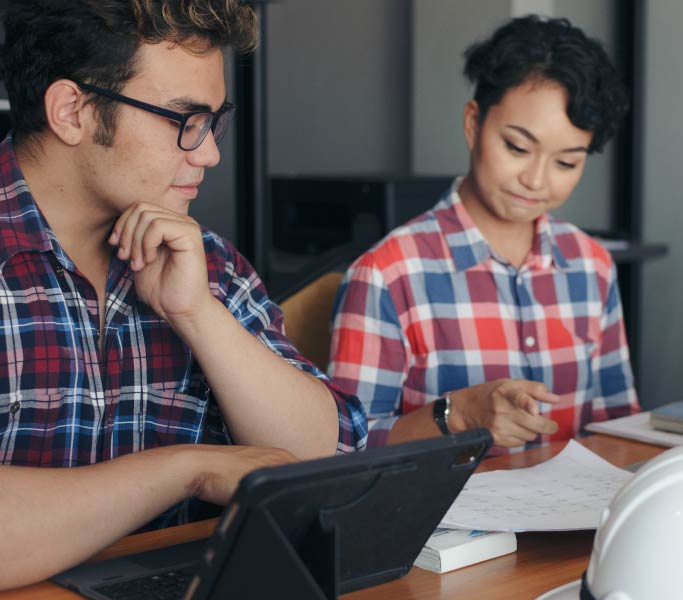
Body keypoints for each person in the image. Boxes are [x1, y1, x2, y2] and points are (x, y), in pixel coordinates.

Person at [0, 0, 366, 588]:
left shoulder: (207, 262)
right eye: (184, 120)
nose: (210, 153)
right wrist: (190, 470)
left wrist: (198, 314)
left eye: (213, 121)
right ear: (72, 111)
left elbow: (326, 465)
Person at [328, 15, 639, 452]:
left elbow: (618, 432)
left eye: (566, 162)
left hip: (575, 517)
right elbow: (344, 450)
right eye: (517, 147)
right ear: (474, 124)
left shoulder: (592, 266)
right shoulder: (389, 275)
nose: (535, 179)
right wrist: (457, 415)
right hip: (446, 519)